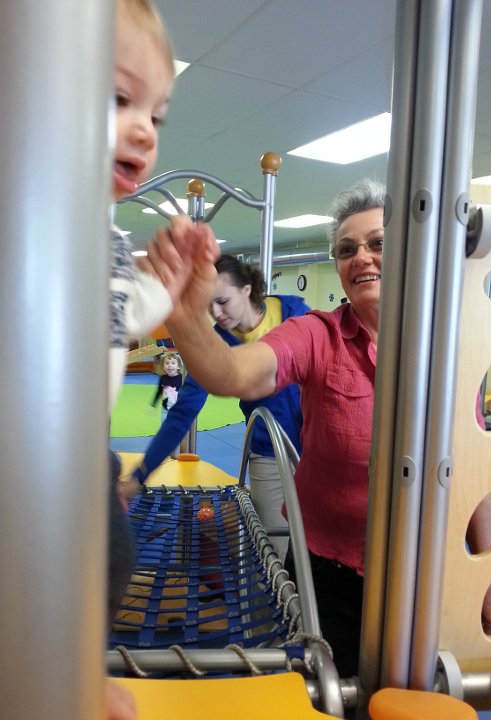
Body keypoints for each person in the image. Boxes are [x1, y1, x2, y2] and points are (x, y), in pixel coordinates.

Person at [151, 180, 491, 678]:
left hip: (425, 571)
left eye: (378, 243)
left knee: (411, 693)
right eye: (346, 249)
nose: (361, 257)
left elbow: (469, 462)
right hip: (328, 572)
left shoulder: (449, 346)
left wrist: (487, 581)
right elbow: (233, 373)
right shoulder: (317, 334)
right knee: (323, 690)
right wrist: (183, 313)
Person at [104, 2, 219, 717]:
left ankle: (71, 662)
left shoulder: (111, 237)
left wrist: (167, 287)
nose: (146, 129)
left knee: (110, 557)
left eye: (156, 113)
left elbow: (125, 314)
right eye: (119, 98)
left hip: (77, 455)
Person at [122, 254, 310, 561]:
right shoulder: (215, 348)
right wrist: (140, 475)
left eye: (223, 301)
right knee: (277, 547)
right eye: (209, 306)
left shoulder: (296, 314)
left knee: (319, 541)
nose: (217, 314)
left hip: (316, 446)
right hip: (268, 453)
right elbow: (183, 412)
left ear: (246, 289)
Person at [151, 351, 183, 419]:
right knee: (165, 424)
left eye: (173, 363)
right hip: (165, 410)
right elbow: (159, 392)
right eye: (167, 363)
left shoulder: (182, 379)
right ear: (163, 366)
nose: (170, 365)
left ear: (178, 366)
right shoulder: (163, 378)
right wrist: (153, 404)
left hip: (179, 410)